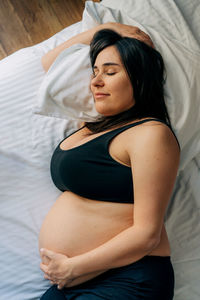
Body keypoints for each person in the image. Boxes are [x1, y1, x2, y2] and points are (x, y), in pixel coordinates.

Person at [39, 23, 180, 299]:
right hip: (72, 280)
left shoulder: (150, 134)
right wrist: (106, 29)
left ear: (140, 78)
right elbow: (50, 64)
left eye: (110, 72)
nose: (95, 81)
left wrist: (72, 267)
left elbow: (147, 234)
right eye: (95, 72)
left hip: (127, 278)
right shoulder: (91, 127)